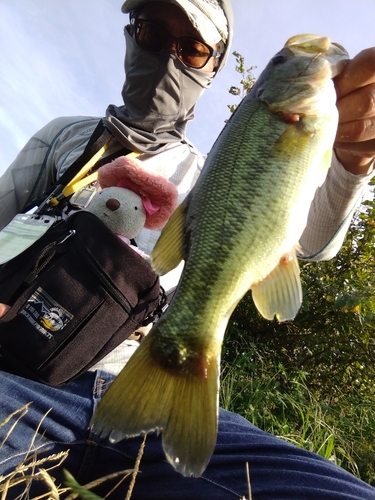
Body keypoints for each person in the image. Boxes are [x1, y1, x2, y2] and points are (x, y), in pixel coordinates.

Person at [0, 0, 374, 498]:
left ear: (213, 65)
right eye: (153, 32)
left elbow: (313, 242)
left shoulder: (209, 172)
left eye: (193, 49)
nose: (169, 57)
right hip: (19, 376)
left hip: (144, 383)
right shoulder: (65, 137)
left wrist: (351, 162)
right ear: (131, 34)